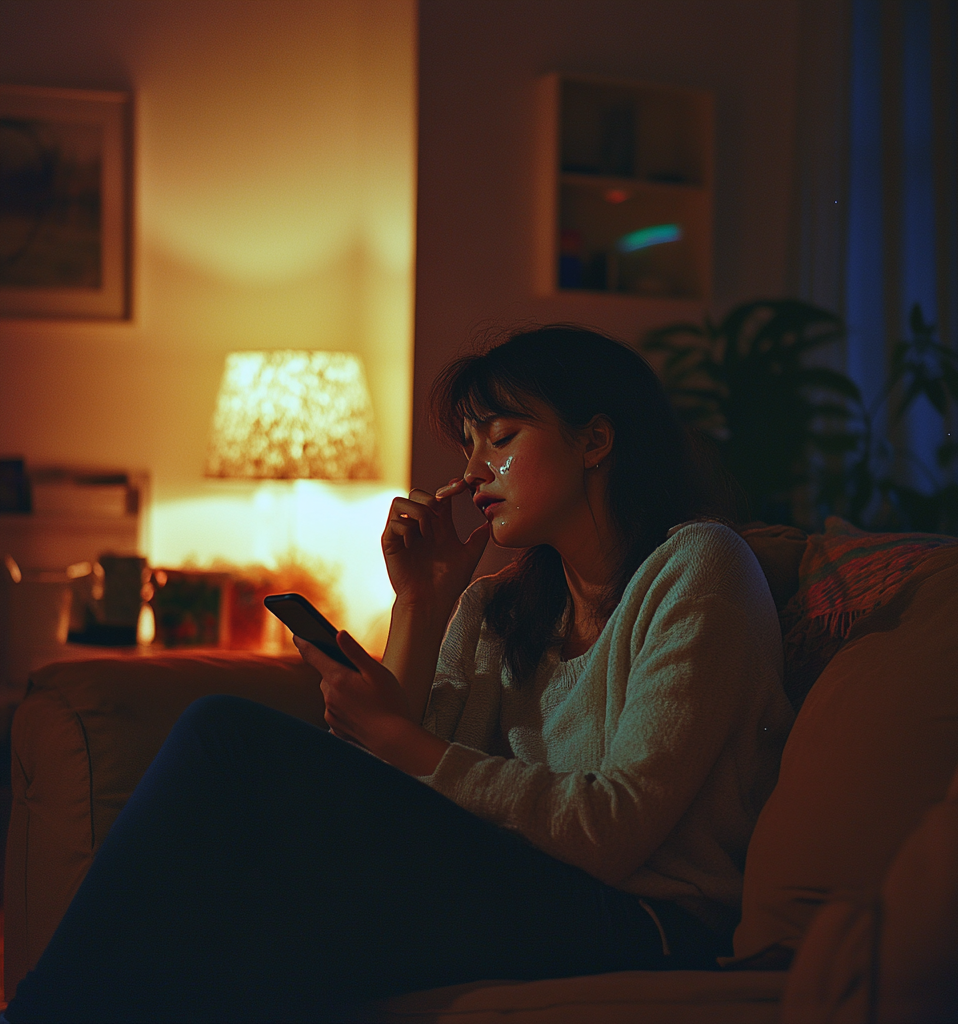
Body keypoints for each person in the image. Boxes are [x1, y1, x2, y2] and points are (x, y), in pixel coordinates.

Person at [3, 326, 793, 1024]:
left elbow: (613, 830)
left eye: (502, 437)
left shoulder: (697, 568)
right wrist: (421, 602)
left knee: (224, 736)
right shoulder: (497, 608)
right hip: (524, 885)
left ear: (595, 441)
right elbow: (388, 807)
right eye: (468, 446)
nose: (476, 469)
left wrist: (403, 742)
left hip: (648, 921)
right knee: (248, 905)